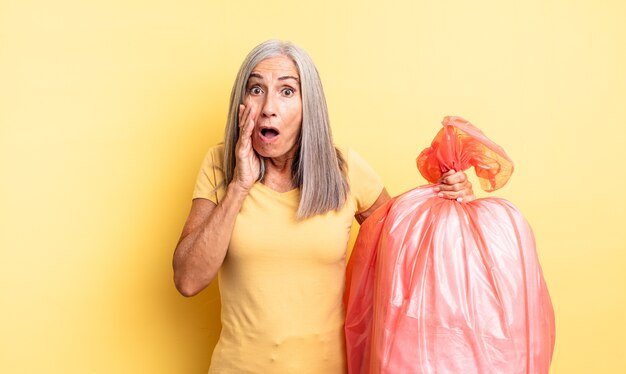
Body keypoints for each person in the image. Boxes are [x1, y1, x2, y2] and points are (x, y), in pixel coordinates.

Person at [172, 39, 474, 373]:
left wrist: (448, 200)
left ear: (308, 106)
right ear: (241, 104)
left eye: (287, 91)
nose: (268, 106)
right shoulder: (220, 165)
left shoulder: (346, 170)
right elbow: (188, 280)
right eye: (256, 89)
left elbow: (409, 257)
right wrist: (239, 186)